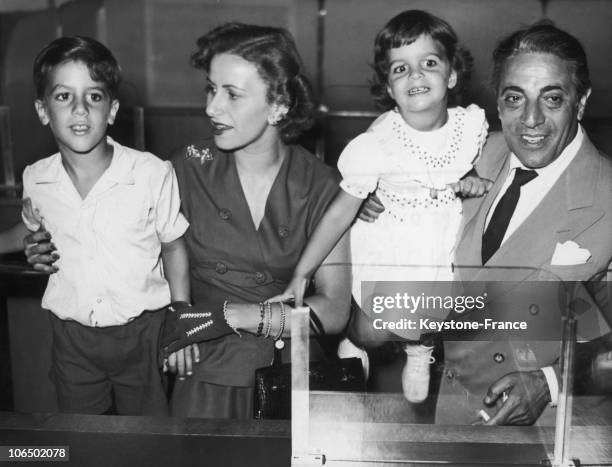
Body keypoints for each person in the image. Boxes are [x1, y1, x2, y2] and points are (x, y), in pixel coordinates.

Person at [362, 21, 612, 425]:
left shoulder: (606, 196)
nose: (531, 119)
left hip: (559, 429)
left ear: (580, 102)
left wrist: (552, 382)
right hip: (456, 414)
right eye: (514, 98)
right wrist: (374, 202)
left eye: (552, 99)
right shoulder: (468, 156)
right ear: (497, 101)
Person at [276, 10, 491, 403]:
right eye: (400, 69)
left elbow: (470, 166)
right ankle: (357, 341)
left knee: (435, 311)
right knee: (375, 327)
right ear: (389, 88)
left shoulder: (471, 127)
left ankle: (419, 350)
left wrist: (473, 177)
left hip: (441, 240)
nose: (416, 76)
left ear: (453, 74)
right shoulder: (378, 142)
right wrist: (301, 275)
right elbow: (341, 211)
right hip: (393, 240)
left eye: (429, 63)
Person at [164, 23, 352, 419]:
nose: (212, 108)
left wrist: (235, 316)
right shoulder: (184, 169)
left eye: (232, 94)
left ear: (279, 104)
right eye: (211, 90)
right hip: (203, 372)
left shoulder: (321, 184)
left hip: (291, 380)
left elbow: (333, 311)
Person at [0, 36, 190, 415]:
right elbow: (33, 231)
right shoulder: (37, 178)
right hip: (73, 339)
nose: (81, 110)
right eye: (63, 96)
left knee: (146, 439)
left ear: (113, 109)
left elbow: (173, 246)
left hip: (143, 332)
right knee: (83, 437)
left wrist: (182, 321)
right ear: (42, 110)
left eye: (94, 97)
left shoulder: (151, 173)